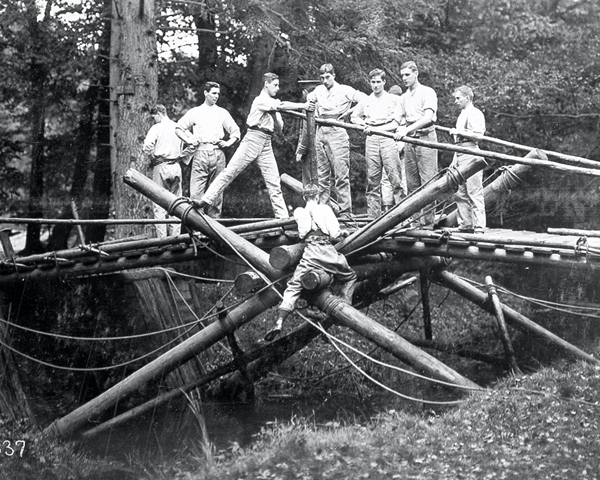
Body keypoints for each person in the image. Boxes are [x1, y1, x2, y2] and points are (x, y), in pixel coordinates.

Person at [195, 73, 313, 219]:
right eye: (275, 85)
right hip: (252, 139)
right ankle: (205, 200)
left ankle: (282, 218)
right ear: (266, 84)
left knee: (274, 180)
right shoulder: (260, 100)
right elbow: (282, 105)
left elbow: (279, 128)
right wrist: (303, 105)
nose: (278, 88)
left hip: (266, 142)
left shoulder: (273, 102)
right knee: (229, 172)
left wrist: (275, 112)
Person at [264, 185, 357, 341]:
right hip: (328, 253)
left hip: (310, 254)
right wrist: (344, 232)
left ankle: (279, 321)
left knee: (294, 285)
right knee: (350, 275)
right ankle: (344, 304)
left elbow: (302, 233)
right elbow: (335, 233)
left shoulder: (299, 212)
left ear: (303, 197)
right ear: (318, 196)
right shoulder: (325, 209)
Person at [297, 64, 367, 219]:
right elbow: (308, 100)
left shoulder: (344, 90)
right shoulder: (319, 90)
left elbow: (364, 99)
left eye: (327, 77)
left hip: (337, 131)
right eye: (322, 78)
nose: (324, 80)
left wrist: (350, 112)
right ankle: (323, 211)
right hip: (321, 131)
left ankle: (345, 213)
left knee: (341, 175)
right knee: (321, 175)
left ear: (334, 75)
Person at [175, 82, 241, 218]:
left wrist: (228, 143)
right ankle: (197, 230)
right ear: (206, 93)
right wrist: (189, 140)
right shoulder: (195, 112)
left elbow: (236, 132)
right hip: (200, 153)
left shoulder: (222, 112)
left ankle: (214, 231)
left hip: (218, 153)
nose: (216, 96)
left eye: (218, 93)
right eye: (213, 93)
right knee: (195, 194)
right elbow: (178, 128)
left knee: (216, 193)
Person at [351, 69, 403, 219]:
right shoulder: (366, 100)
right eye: (373, 82)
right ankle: (374, 219)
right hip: (372, 139)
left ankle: (401, 217)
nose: (375, 85)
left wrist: (384, 129)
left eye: (378, 82)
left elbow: (398, 120)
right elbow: (354, 117)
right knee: (373, 180)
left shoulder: (393, 99)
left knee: (395, 179)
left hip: (387, 137)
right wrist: (364, 125)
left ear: (384, 82)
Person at [393, 61, 439, 229]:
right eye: (402, 75)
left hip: (425, 138)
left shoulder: (427, 92)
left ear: (416, 73)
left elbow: (428, 117)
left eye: (407, 75)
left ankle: (427, 224)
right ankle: (414, 222)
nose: (404, 78)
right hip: (409, 141)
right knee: (412, 183)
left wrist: (406, 129)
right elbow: (396, 119)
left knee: (428, 182)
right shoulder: (404, 97)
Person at [449, 85, 487, 233]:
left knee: (474, 192)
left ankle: (479, 227)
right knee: (460, 192)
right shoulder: (462, 114)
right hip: (460, 152)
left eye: (458, 98)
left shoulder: (475, 113)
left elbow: (478, 135)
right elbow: (458, 140)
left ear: (467, 97)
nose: (455, 101)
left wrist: (459, 131)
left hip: (471, 153)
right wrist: (454, 159)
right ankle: (465, 225)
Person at [142, 104, 184, 238]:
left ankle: (162, 240)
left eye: (154, 116)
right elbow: (188, 142)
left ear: (159, 114)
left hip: (161, 166)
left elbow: (147, 146)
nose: (154, 119)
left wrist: (151, 157)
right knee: (176, 203)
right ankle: (175, 238)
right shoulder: (177, 126)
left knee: (159, 204)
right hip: (176, 166)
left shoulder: (157, 128)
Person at [381, 84, 407, 211]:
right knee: (386, 178)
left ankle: (401, 209)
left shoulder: (403, 111)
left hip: (400, 148)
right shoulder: (386, 110)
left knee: (401, 179)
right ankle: (388, 207)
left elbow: (403, 129)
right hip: (388, 146)